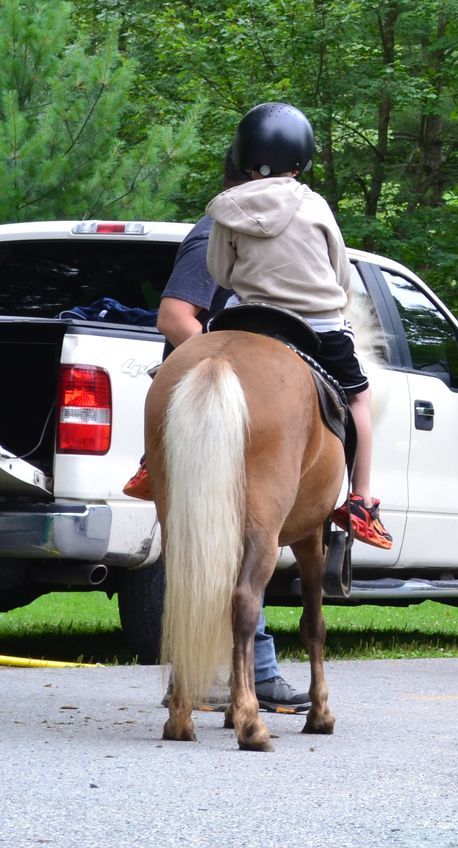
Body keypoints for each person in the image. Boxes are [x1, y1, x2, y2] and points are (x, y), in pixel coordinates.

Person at [124, 145, 311, 714]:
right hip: (213, 404)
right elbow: (177, 316)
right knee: (236, 536)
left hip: (236, 396)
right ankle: (245, 671)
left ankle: (217, 671)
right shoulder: (215, 229)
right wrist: (235, 379)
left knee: (235, 538)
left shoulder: (259, 232)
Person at [207, 103, 390, 550]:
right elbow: (342, 276)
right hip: (319, 326)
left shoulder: (228, 208)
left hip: (249, 319)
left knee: (187, 371)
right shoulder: (316, 205)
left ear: (244, 155)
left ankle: (152, 462)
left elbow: (218, 271)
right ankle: (362, 502)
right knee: (359, 398)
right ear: (301, 158)